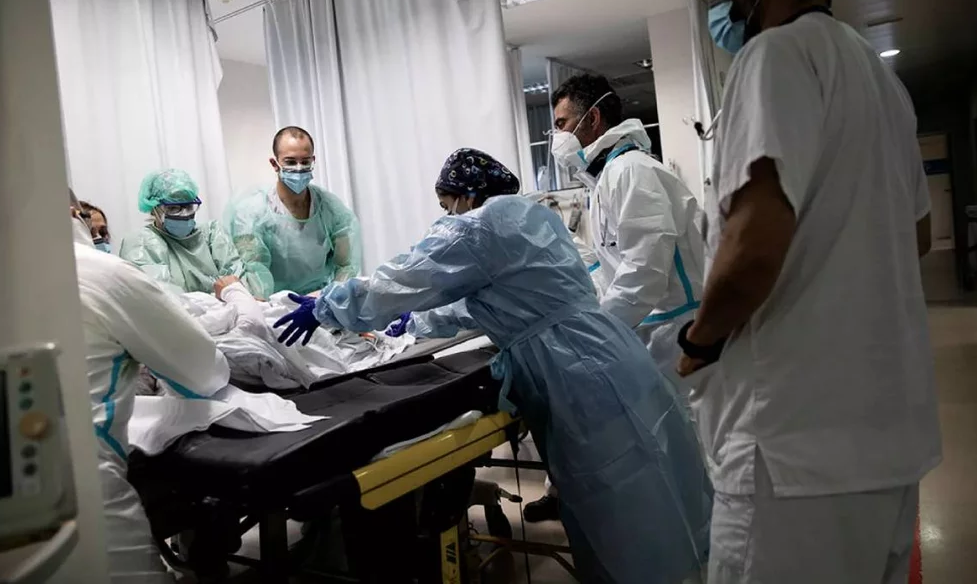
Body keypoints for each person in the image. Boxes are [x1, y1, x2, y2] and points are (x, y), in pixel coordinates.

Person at [274, 148, 712, 584]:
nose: (447, 217)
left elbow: (406, 277)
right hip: (608, 349)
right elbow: (498, 301)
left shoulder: (479, 228)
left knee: (619, 501)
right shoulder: (532, 218)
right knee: (657, 478)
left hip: (575, 374)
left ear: (465, 195)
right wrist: (419, 320)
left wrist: (328, 306)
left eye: (447, 206)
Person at [678, 0, 940, 583]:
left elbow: (754, 247)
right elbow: (916, 236)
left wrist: (699, 342)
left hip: (794, 455)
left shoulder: (774, 56)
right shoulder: (882, 81)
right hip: (886, 443)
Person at [522, 75, 705, 524]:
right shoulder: (605, 181)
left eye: (562, 124)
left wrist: (596, 333)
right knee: (670, 450)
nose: (557, 138)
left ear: (594, 118)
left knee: (692, 450)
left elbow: (644, 271)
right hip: (654, 331)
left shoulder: (632, 172)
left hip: (677, 333)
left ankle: (706, 547)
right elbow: (613, 269)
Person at [69, 189, 231, 582]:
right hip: (91, 499)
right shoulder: (104, 273)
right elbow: (202, 370)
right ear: (75, 214)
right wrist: (237, 298)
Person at [226, 126, 361, 295]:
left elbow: (346, 265)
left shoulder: (331, 209)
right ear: (275, 164)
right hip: (273, 301)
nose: (299, 168)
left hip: (319, 298)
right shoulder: (251, 213)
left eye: (305, 161)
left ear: (313, 160)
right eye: (290, 162)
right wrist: (269, 306)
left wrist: (330, 298)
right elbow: (253, 271)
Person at [119, 169, 271, 298]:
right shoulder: (142, 243)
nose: (184, 214)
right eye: (173, 208)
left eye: (188, 206)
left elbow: (239, 285)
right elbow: (161, 299)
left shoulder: (211, 234)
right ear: (154, 209)